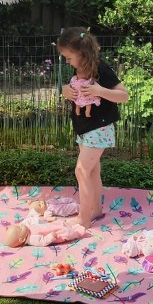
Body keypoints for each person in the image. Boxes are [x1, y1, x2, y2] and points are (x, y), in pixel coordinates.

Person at [57, 27, 128, 228]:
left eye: (69, 57)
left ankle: (84, 219)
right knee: (92, 170)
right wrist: (65, 90)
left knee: (81, 171)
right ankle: (95, 209)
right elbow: (76, 89)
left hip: (99, 128)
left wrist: (100, 91)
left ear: (81, 53)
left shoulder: (101, 69)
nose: (67, 61)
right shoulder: (80, 68)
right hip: (84, 127)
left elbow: (124, 95)